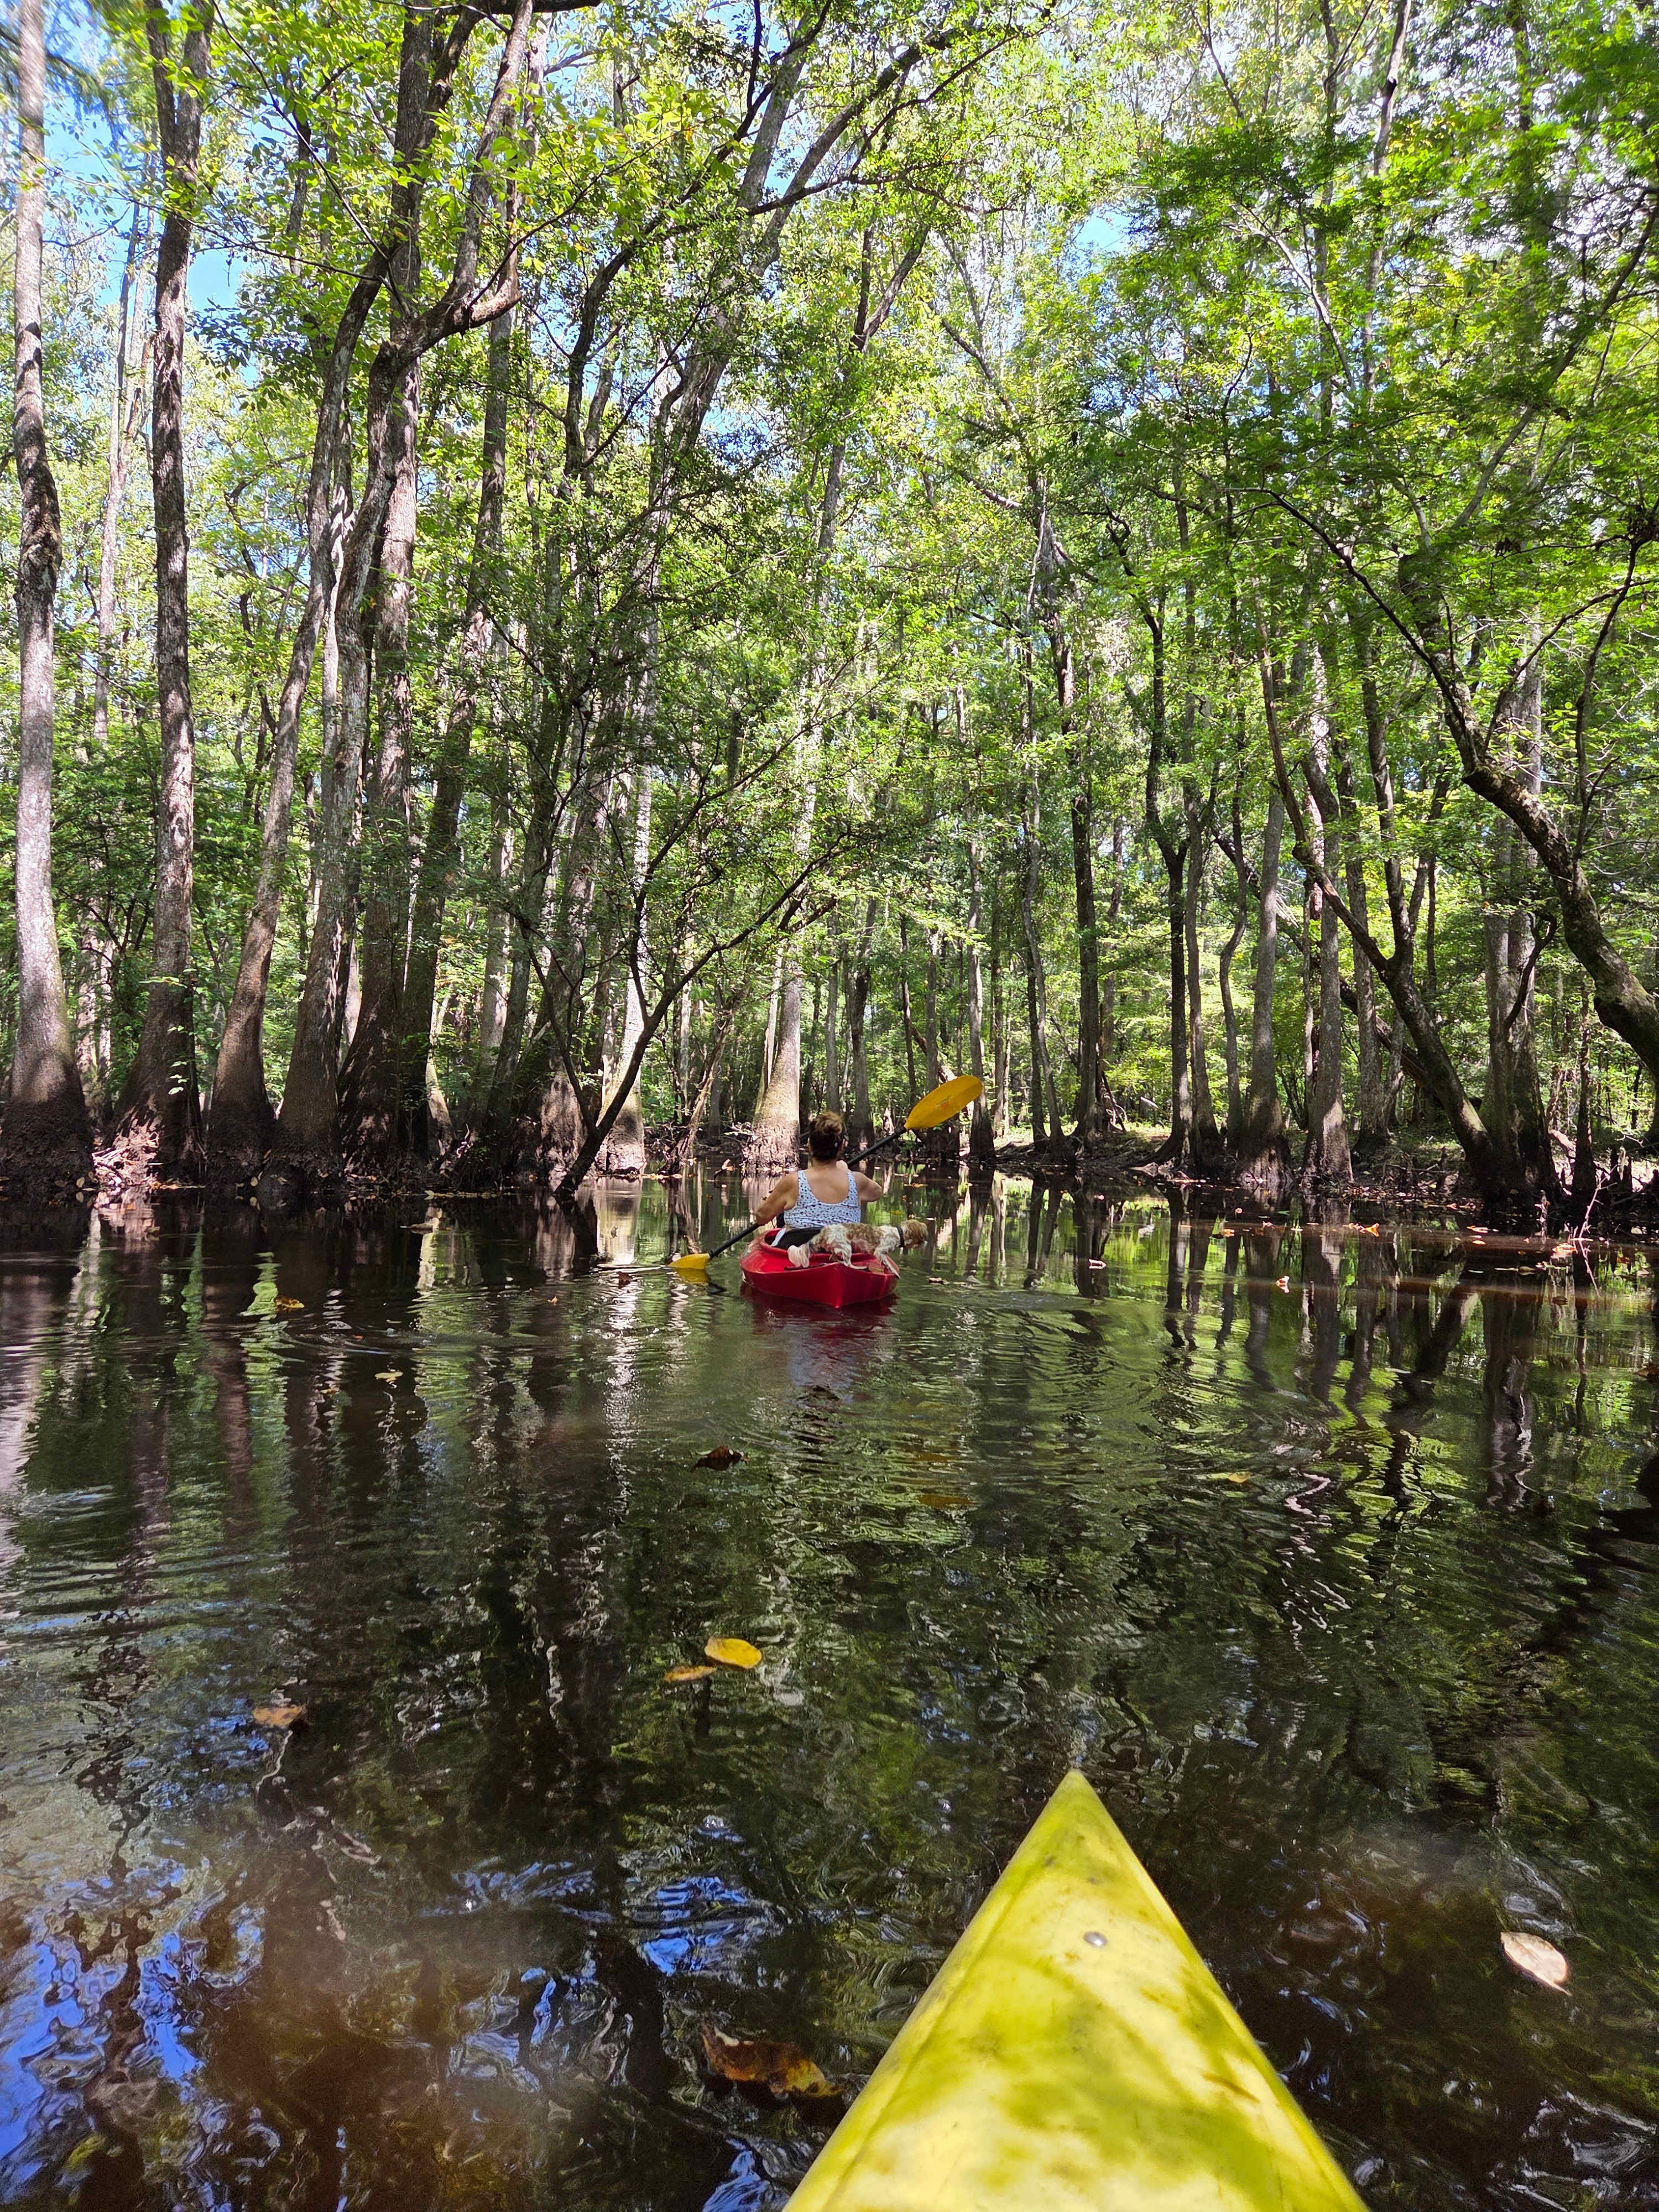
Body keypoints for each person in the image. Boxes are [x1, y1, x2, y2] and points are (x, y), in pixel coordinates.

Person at [752, 1110, 883, 1249]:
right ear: (841, 1147)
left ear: (810, 1145)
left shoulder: (793, 1182)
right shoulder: (858, 1181)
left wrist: (769, 1200)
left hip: (796, 1259)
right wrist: (846, 1172)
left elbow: (761, 1217)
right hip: (841, 1256)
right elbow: (877, 1192)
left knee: (784, 1229)